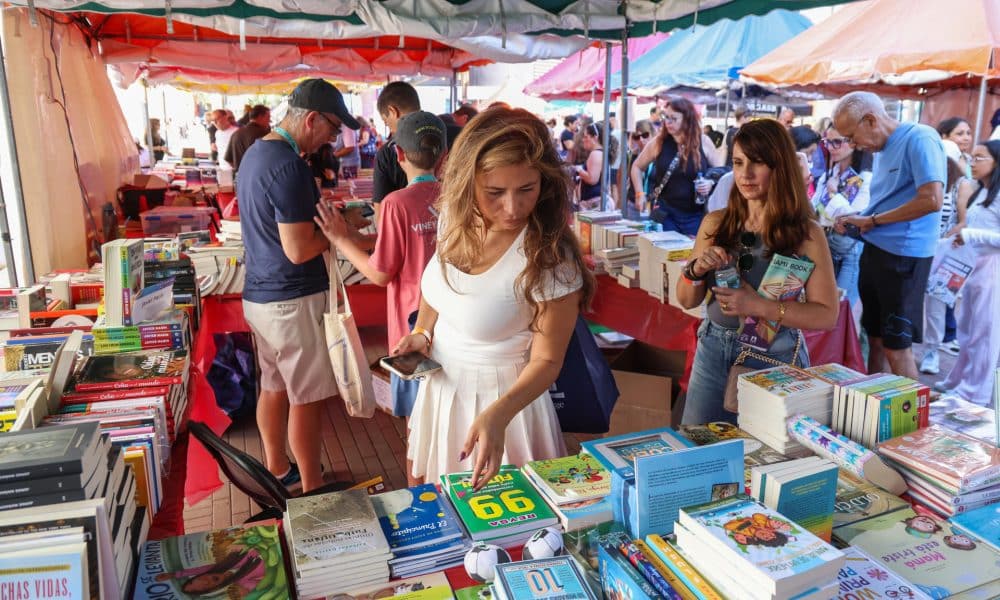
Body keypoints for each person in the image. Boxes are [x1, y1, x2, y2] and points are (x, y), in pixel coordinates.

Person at [393, 106, 596, 488]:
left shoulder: (550, 257)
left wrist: (499, 414)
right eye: (494, 192)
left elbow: (548, 360)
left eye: (526, 190)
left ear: (545, 183)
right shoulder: (455, 217)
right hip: (441, 390)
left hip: (507, 406)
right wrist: (422, 333)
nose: (512, 208)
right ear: (468, 182)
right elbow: (437, 287)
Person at [238, 79, 360, 492]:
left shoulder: (257, 153)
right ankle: (311, 486)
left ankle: (276, 466)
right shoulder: (289, 165)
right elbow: (298, 248)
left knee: (273, 386)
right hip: (292, 299)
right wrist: (340, 231)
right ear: (311, 119)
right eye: (332, 127)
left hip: (260, 295)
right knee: (307, 397)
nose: (333, 136)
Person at [676, 119, 839, 425]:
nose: (745, 174)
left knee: (765, 456)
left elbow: (827, 315)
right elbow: (685, 299)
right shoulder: (716, 223)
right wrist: (696, 270)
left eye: (757, 162)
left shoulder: (806, 234)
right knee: (698, 450)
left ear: (780, 167)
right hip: (713, 347)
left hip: (774, 351)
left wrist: (757, 306)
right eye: (738, 162)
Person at [315, 112, 446, 484]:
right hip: (451, 323)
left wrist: (340, 239)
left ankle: (421, 496)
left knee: (416, 427)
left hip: (411, 328)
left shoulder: (395, 203)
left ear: (399, 153)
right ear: (445, 154)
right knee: (448, 412)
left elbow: (380, 272)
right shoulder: (455, 197)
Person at [832, 91, 945, 380]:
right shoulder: (881, 149)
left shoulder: (919, 138)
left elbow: (932, 199)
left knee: (897, 345)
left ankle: (912, 418)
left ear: (870, 120)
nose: (853, 145)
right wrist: (857, 220)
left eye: (852, 137)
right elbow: (889, 199)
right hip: (875, 250)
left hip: (904, 257)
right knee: (876, 337)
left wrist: (872, 219)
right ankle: (875, 403)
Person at [937, 141, 1000, 405]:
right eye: (972, 157)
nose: (972, 162)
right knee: (967, 329)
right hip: (973, 270)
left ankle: (976, 392)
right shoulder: (980, 192)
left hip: (993, 271)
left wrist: (969, 234)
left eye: (980, 158)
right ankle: (961, 380)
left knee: (985, 333)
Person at [919, 140, 974, 374]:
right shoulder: (923, 179)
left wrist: (942, 240)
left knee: (936, 303)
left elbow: (964, 221)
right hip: (919, 247)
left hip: (944, 252)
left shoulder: (961, 184)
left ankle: (931, 351)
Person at [631, 97, 721, 235]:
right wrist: (639, 193)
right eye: (666, 117)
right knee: (663, 255)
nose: (668, 122)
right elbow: (637, 167)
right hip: (666, 214)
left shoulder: (703, 141)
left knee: (692, 255)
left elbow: (721, 172)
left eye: (673, 118)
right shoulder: (659, 142)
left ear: (687, 119)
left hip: (696, 217)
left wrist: (710, 182)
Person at [811, 124, 873, 311]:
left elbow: (854, 219)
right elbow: (815, 209)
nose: (830, 147)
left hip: (849, 252)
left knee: (841, 310)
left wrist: (832, 193)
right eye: (827, 142)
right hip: (825, 247)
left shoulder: (866, 178)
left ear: (854, 142)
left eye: (836, 142)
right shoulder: (831, 174)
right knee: (822, 306)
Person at [373, 81, 422, 221]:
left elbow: (381, 216)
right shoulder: (449, 137)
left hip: (404, 234)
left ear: (393, 111)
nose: (387, 126)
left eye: (385, 120)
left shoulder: (387, 152)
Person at [576, 122, 614, 209]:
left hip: (594, 203)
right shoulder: (600, 153)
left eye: (586, 137)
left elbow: (592, 179)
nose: (583, 140)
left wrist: (578, 170)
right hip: (597, 202)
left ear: (595, 137)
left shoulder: (595, 154)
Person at [225, 104, 271, 174]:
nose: (269, 121)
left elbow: (229, 159)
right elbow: (269, 159)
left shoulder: (236, 133)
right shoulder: (264, 134)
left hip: (240, 177)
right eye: (268, 117)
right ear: (260, 117)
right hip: (257, 177)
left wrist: (241, 170)